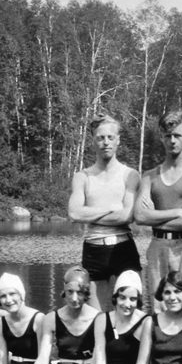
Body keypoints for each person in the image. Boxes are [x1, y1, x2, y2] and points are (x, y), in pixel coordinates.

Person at [68, 114, 142, 309]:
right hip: (93, 248)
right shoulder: (82, 177)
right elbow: (75, 214)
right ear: (93, 141)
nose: (105, 142)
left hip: (123, 247)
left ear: (118, 140)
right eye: (100, 138)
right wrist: (111, 208)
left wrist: (90, 213)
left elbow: (127, 216)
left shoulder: (130, 175)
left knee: (130, 311)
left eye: (110, 137)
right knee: (95, 315)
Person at [135, 110, 182, 297]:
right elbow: (140, 216)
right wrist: (177, 212)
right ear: (161, 137)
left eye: (177, 135)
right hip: (157, 246)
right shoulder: (149, 176)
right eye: (168, 136)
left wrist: (154, 219)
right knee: (159, 305)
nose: (172, 141)